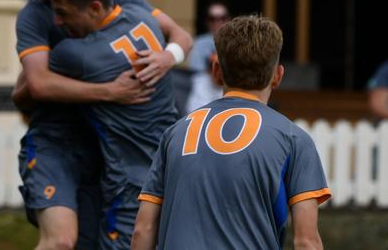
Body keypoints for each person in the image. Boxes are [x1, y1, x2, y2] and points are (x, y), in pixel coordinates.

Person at [6, 0, 192, 250]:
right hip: (55, 141)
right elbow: (34, 86)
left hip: (102, 146)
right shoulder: (33, 17)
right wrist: (109, 91)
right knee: (61, 241)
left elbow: (180, 35)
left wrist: (168, 57)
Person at [132, 15, 331, 250]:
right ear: (278, 76)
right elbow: (306, 241)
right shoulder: (293, 138)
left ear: (217, 71)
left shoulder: (175, 133)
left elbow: (142, 230)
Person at [43, 0, 178, 249]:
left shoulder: (76, 54)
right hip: (171, 173)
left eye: (63, 12)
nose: (57, 21)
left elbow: (34, 85)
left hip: (130, 187)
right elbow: (180, 34)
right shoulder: (143, 17)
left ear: (93, 7)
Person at [185, 1, 230, 112]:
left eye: (222, 18)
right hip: (206, 88)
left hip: (229, 86)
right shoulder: (199, 43)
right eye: (212, 18)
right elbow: (196, 71)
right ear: (207, 21)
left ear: (228, 19)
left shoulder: (237, 42)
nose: (217, 22)